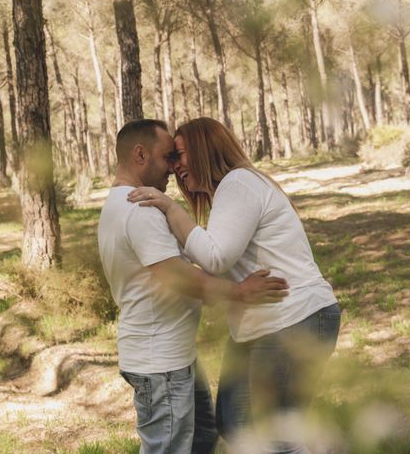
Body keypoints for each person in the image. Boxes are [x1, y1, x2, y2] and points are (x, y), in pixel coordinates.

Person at [128, 117, 341, 453]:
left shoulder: (239, 183)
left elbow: (215, 258)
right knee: (235, 421)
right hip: (264, 324)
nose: (175, 167)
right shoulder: (229, 193)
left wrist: (170, 208)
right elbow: (207, 252)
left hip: (295, 317)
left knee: (273, 431)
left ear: (205, 151)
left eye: (180, 155)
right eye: (171, 158)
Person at [97, 119, 289, 454]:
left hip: (172, 355)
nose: (173, 167)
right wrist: (239, 293)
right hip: (161, 362)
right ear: (140, 155)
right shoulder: (138, 207)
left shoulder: (121, 203)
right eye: (167, 156)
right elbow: (177, 274)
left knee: (201, 438)